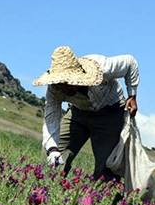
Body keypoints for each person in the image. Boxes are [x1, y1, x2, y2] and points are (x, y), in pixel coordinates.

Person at [32, 46, 139, 183]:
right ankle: (46, 193)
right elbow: (52, 118)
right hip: (78, 112)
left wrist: (132, 95)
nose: (65, 89)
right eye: (60, 84)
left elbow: (130, 63)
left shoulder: (102, 68)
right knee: (52, 156)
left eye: (68, 83)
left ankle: (102, 201)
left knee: (107, 165)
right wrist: (52, 149)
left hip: (110, 112)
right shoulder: (54, 89)